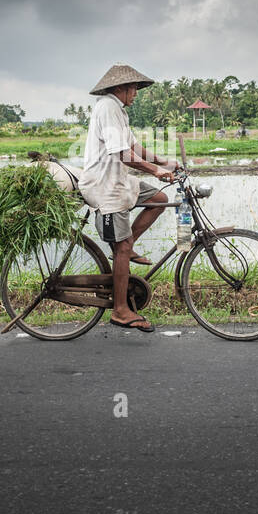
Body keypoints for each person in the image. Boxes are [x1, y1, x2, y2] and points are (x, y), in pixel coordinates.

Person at [78, 64, 180, 333]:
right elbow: (122, 154)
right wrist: (156, 170)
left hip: (119, 181)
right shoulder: (108, 108)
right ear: (120, 88)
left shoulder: (118, 110)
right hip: (105, 186)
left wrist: (163, 162)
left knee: (158, 199)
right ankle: (120, 310)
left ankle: (127, 245)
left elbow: (133, 147)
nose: (136, 93)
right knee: (121, 249)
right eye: (133, 88)